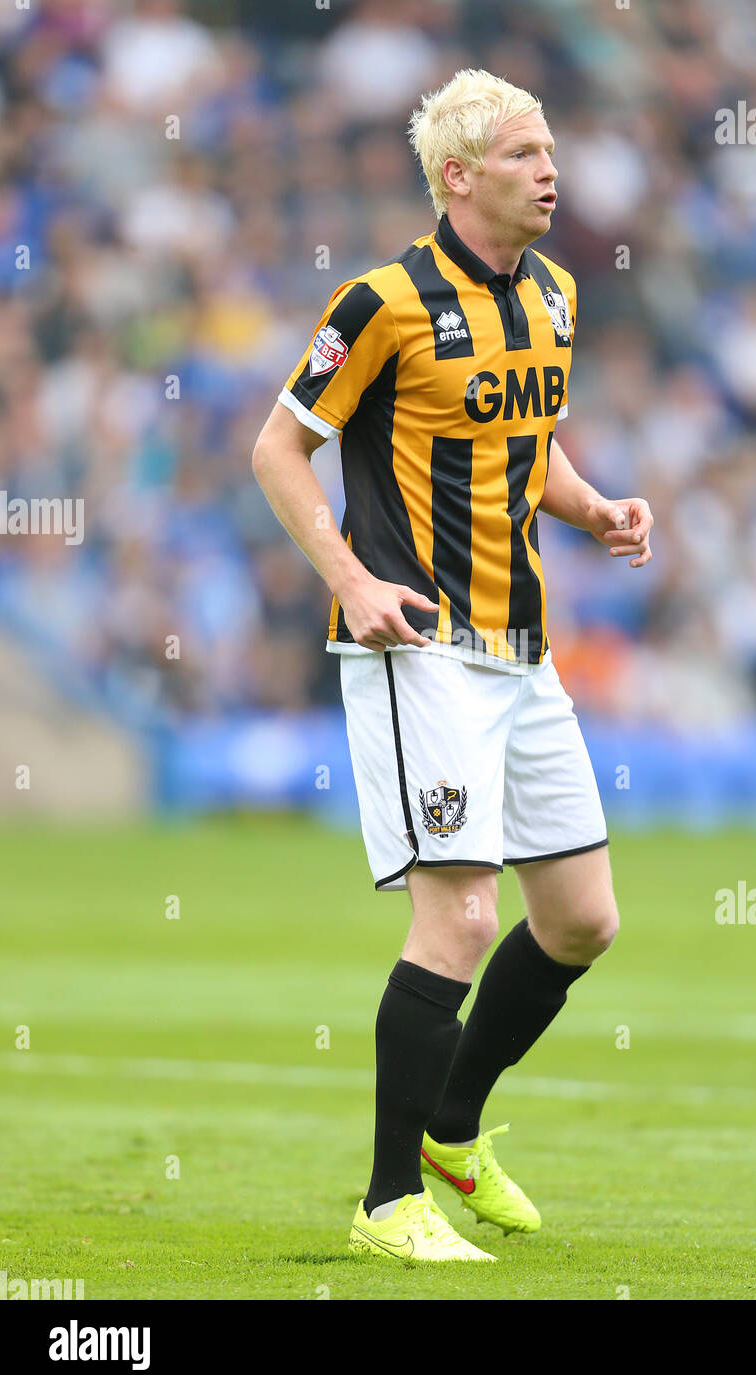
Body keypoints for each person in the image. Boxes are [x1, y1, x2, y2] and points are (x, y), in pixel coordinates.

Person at [252, 68, 653, 1263]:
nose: (551, 171)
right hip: (419, 649)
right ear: (458, 177)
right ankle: (387, 1204)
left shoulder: (559, 293)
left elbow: (529, 442)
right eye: (526, 154)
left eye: (551, 150)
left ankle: (452, 1130)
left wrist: (594, 509)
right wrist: (352, 581)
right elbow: (278, 449)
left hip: (525, 654)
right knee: (463, 922)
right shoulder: (378, 302)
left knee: (581, 919)